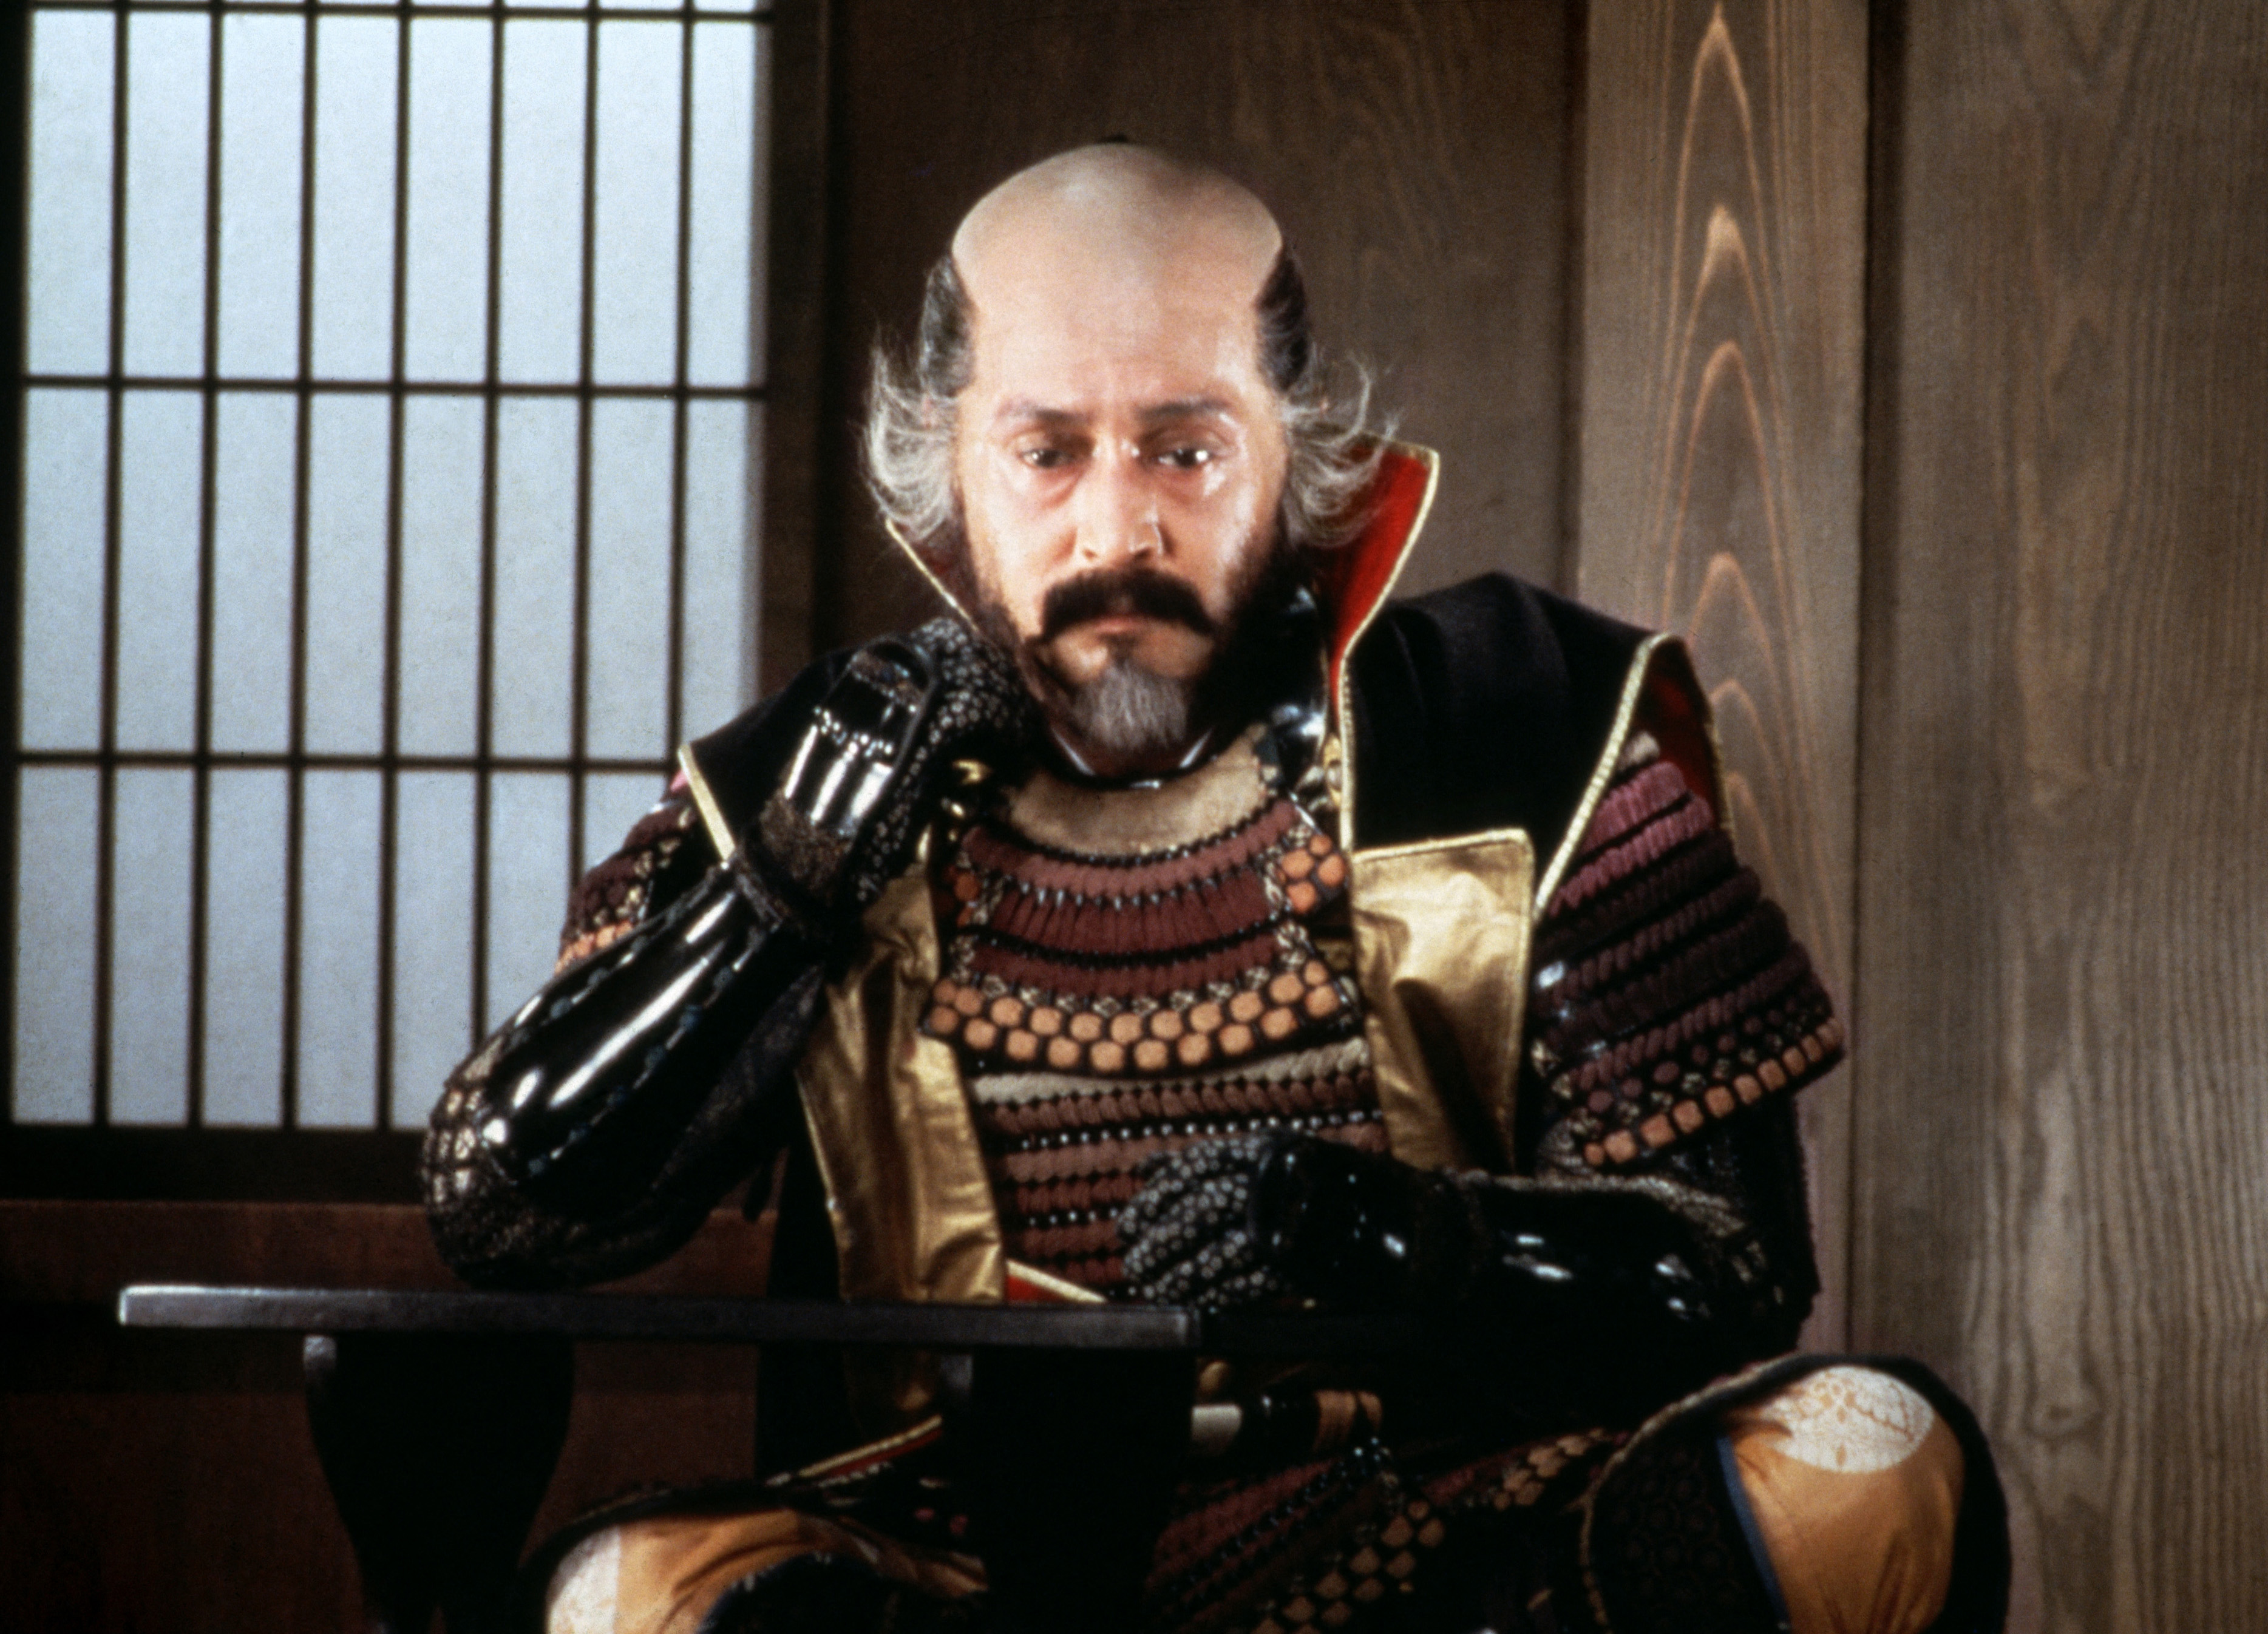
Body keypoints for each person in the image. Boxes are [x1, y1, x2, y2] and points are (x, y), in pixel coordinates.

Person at [424, 142, 2005, 1634]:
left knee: (1866, 1465)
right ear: (944, 464)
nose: (1117, 524)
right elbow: (505, 1210)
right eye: (1045, 452)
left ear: (1296, 446)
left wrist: (1398, 1236)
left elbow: (1730, 1269)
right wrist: (778, 892)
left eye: (1184, 449)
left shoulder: (1526, 724)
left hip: (1450, 1530)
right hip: (956, 1555)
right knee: (629, 1597)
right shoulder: (813, 775)